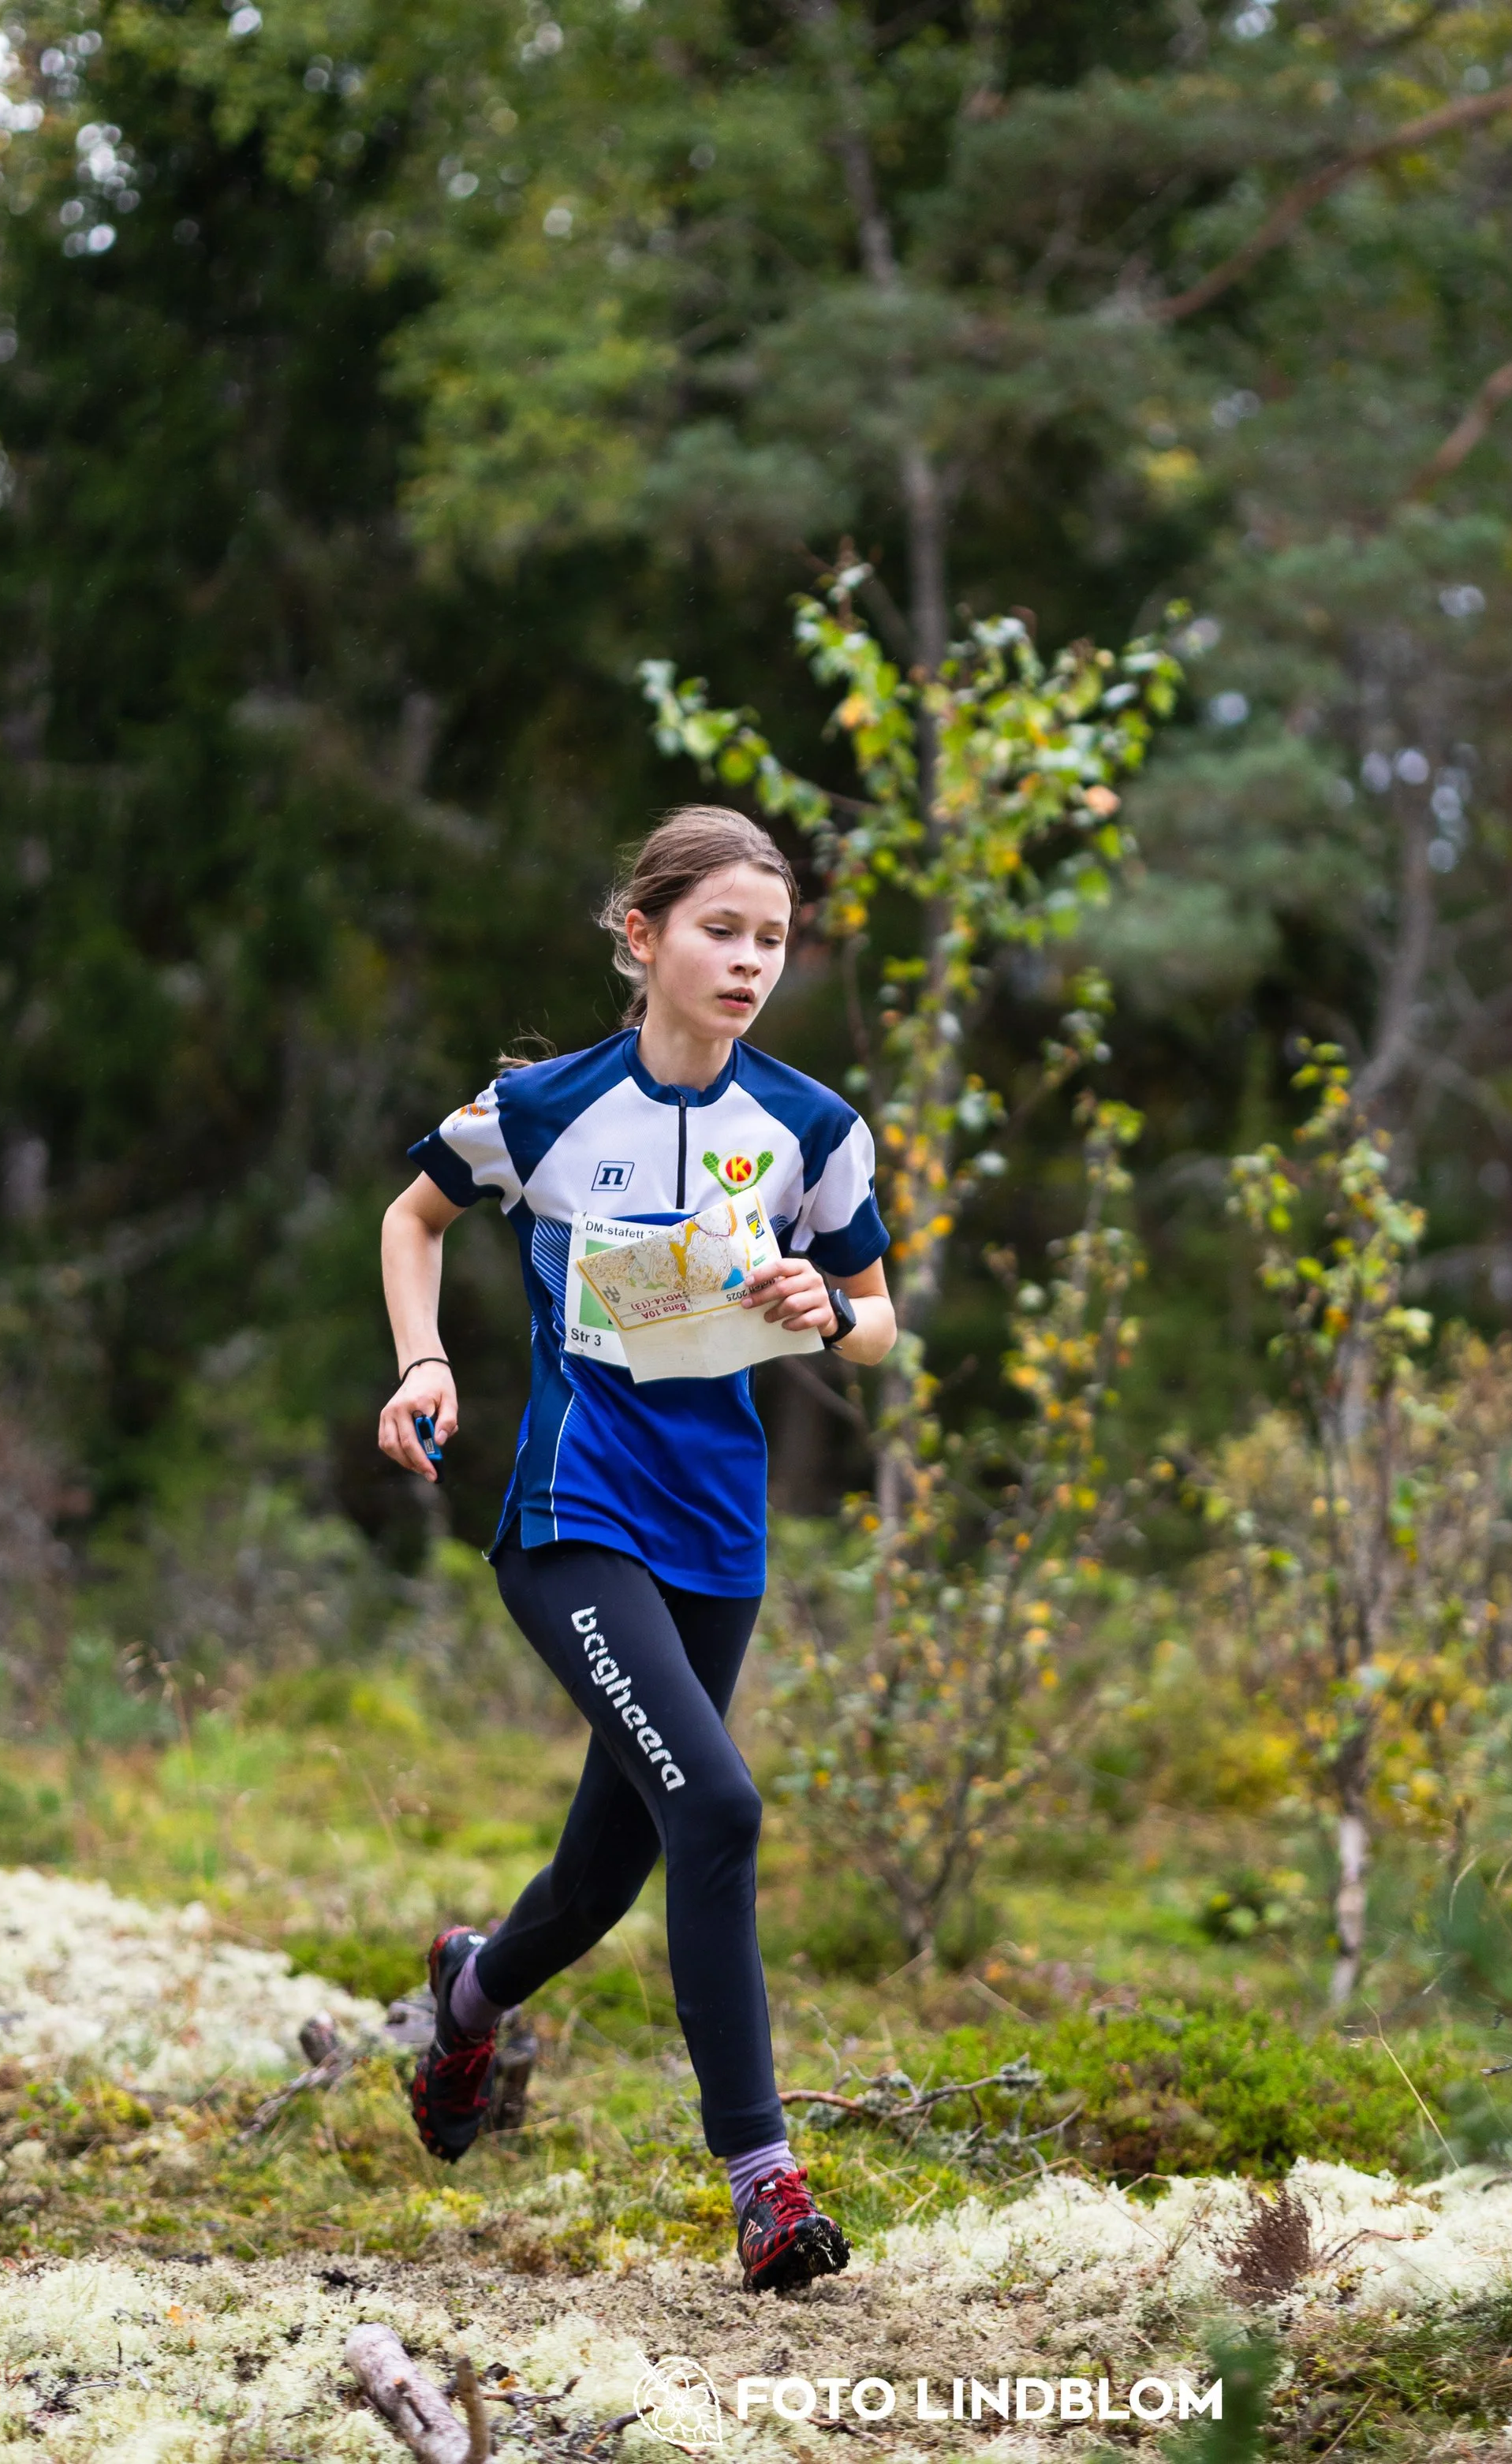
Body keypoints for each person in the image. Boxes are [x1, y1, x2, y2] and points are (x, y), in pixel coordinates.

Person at [375, 806, 896, 2294]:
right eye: (721, 932)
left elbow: (880, 1317)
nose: (748, 963)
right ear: (643, 935)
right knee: (717, 1809)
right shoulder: (543, 1108)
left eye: (773, 942)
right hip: (571, 1514)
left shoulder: (810, 1129)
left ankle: (465, 2004)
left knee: (606, 1876)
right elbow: (414, 1218)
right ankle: (766, 2184)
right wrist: (423, 1366)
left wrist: (826, 1310)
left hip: (717, 1536)